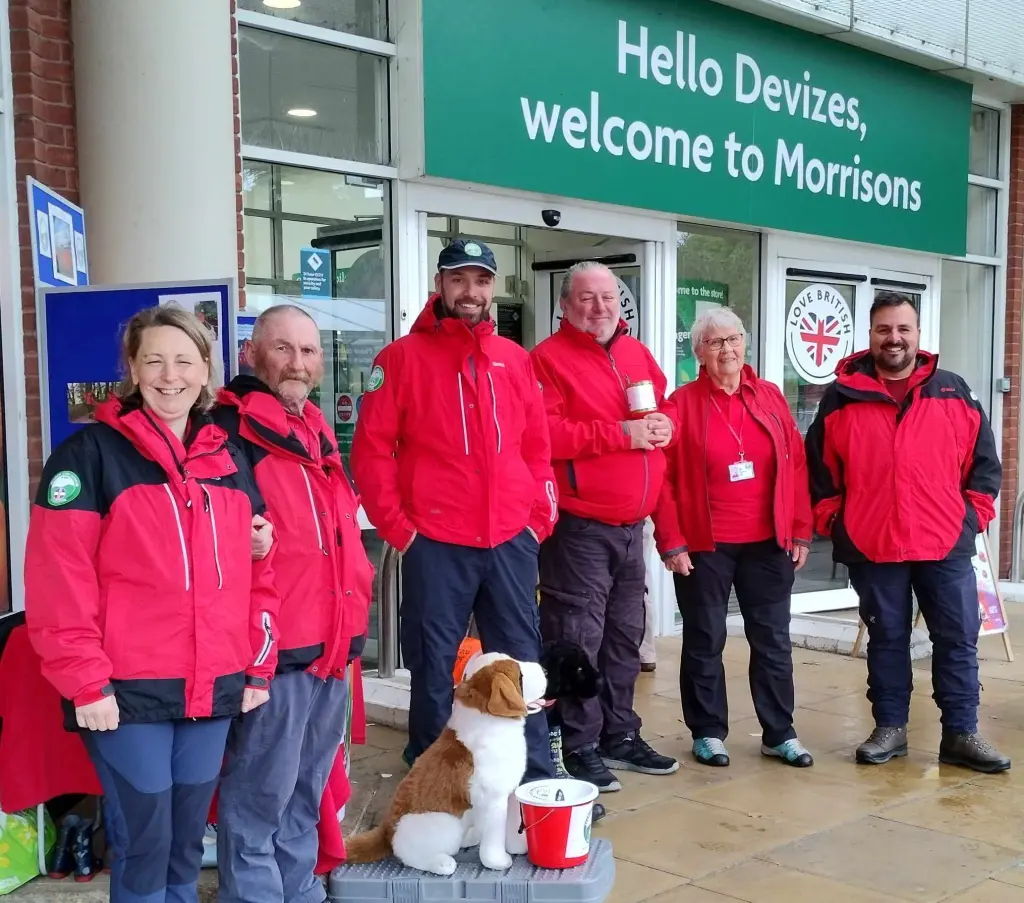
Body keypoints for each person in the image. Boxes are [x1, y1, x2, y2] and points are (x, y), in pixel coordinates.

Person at [24, 305, 280, 903]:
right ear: (133, 371)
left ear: (205, 371)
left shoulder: (227, 457)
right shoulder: (88, 456)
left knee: (187, 846)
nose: (170, 375)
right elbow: (59, 582)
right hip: (126, 691)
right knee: (145, 845)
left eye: (184, 360)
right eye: (154, 361)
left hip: (212, 685)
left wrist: (257, 666)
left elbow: (259, 572)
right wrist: (86, 682)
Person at [351, 239, 558, 783]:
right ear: (440, 286)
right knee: (435, 663)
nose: (472, 292)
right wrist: (399, 528)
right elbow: (372, 452)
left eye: (482, 281)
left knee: (520, 663)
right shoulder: (399, 359)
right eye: (460, 280)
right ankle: (431, 777)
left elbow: (537, 447)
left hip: (511, 536)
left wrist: (539, 518)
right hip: (436, 540)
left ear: (493, 289)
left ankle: (530, 778)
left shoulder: (514, 360)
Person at [805, 291, 1008, 773]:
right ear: (870, 335)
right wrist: (836, 522)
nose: (893, 339)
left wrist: (971, 518)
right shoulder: (841, 397)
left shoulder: (953, 391)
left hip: (944, 544)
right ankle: (890, 728)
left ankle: (961, 733)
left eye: (903, 329)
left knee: (957, 640)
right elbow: (820, 473)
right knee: (887, 639)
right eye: (884, 330)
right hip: (874, 545)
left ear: (918, 334)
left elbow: (984, 466)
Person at [212, 304, 374, 903]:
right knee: (260, 796)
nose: (297, 363)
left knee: (308, 792)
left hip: (330, 646)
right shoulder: (228, 432)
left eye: (307, 351)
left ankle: (299, 891)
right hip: (274, 652)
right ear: (252, 354)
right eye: (283, 348)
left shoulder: (314, 428)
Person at [530, 260, 678, 793]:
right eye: (587, 299)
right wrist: (621, 434)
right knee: (578, 638)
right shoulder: (546, 360)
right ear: (566, 305)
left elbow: (661, 413)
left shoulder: (637, 353)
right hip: (579, 525)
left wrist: (666, 425)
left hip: (630, 524)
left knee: (623, 638)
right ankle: (578, 743)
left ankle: (620, 733)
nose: (599, 308)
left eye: (608, 298)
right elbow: (545, 435)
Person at [652, 308, 814, 770]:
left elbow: (796, 465)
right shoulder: (680, 404)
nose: (727, 349)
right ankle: (707, 731)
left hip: (769, 542)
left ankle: (779, 733)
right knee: (705, 638)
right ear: (699, 352)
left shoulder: (769, 397)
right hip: (707, 544)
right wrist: (672, 540)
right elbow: (661, 479)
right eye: (715, 342)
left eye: (734, 339)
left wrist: (801, 528)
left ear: (746, 343)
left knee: (773, 640)